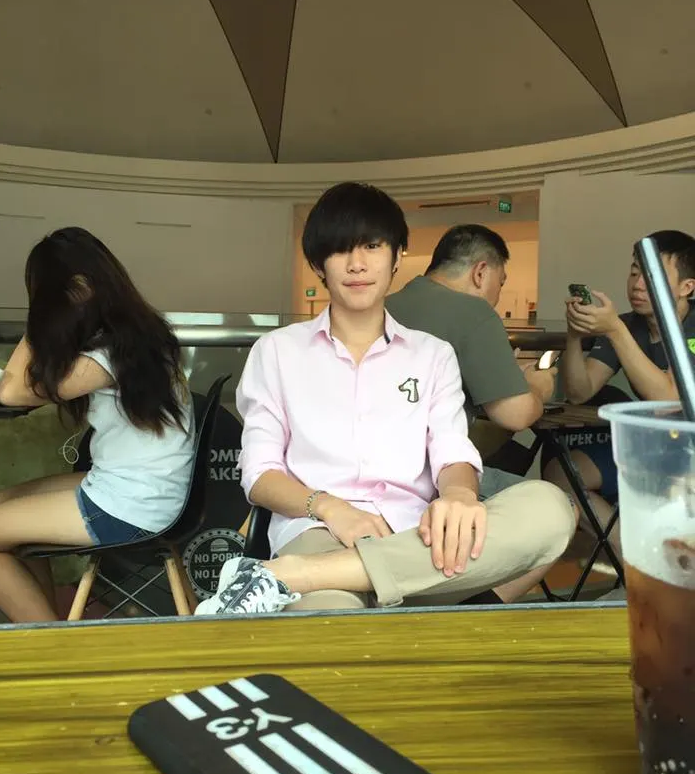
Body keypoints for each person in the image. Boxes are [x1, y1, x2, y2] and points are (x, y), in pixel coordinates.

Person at [195, 183, 574, 615]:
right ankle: (363, 590)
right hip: (318, 530)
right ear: (318, 264)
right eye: (341, 249)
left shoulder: (432, 355)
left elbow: (451, 451)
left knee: (550, 510)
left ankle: (289, 576)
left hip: (419, 536)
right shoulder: (277, 352)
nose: (357, 264)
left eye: (372, 246)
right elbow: (260, 475)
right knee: (335, 620)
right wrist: (330, 508)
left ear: (397, 257)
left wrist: (459, 496)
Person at [0, 227, 195, 623]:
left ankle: (50, 642)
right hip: (138, 488)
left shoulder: (108, 355)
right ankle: (41, 622)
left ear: (80, 289)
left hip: (132, 504)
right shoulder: (133, 339)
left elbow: (10, 392)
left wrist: (38, 323)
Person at [385, 223, 566, 602]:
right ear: (481, 272)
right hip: (433, 480)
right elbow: (516, 415)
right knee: (561, 508)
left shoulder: (388, 305)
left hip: (377, 479)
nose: (497, 295)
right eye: (500, 282)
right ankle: (471, 608)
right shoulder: (473, 312)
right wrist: (538, 385)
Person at [544, 229, 695, 551]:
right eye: (634, 272)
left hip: (689, 453)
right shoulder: (628, 325)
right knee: (561, 474)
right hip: (656, 447)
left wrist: (614, 329)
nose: (638, 285)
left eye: (652, 276)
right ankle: (633, 555)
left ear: (687, 287)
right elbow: (580, 391)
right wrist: (574, 335)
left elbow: (670, 398)